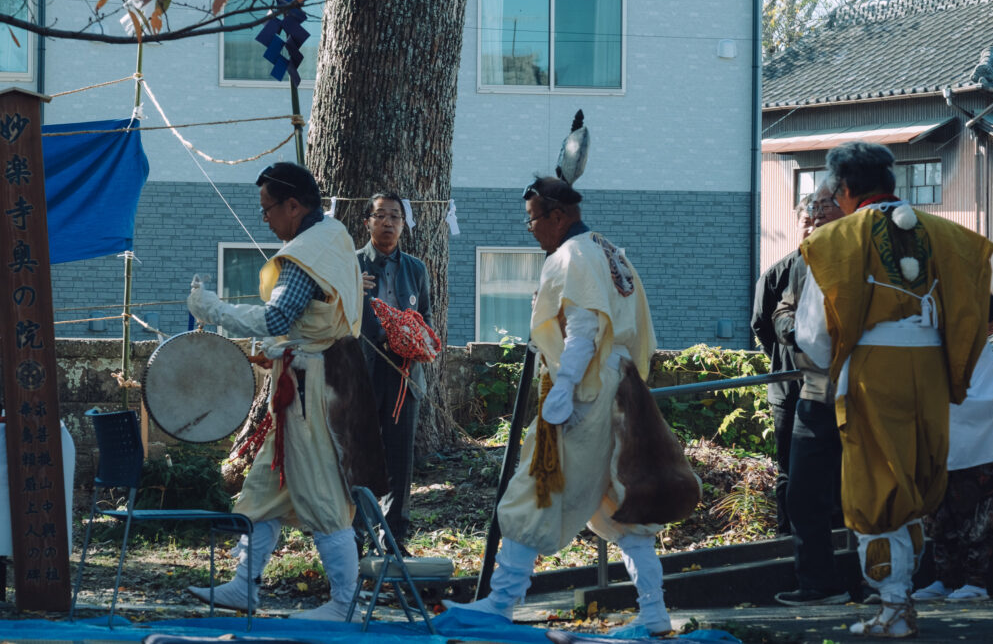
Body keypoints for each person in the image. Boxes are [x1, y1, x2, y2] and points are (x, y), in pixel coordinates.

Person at [443, 177, 701, 636]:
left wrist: (563, 390)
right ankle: (655, 612)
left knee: (536, 489)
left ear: (556, 216)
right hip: (623, 391)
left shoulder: (573, 256)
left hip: (585, 390)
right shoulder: (609, 250)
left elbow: (583, 331)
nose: (531, 230)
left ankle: (501, 603)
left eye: (533, 220)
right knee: (623, 503)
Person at [795, 142, 993, 637]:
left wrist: (839, 365)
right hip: (929, 366)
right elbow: (972, 306)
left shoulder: (838, 237)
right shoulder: (943, 234)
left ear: (843, 189)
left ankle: (893, 607)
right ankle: (901, 600)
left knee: (875, 481)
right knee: (915, 478)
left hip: (873, 368)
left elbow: (813, 334)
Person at [185, 162, 373, 621]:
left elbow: (275, 319)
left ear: (293, 205)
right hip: (317, 377)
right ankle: (243, 585)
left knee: (324, 496)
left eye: (268, 208)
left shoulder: (306, 253)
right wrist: (284, 346)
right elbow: (311, 320)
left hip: (315, 391)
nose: (264, 218)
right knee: (265, 485)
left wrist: (212, 308)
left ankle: (345, 602)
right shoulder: (335, 234)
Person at [771, 178, 848, 606]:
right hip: (813, 390)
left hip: (860, 389)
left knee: (866, 492)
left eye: (825, 204)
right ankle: (818, 584)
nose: (816, 213)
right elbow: (783, 307)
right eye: (814, 205)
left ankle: (882, 585)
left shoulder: (860, 248)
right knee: (801, 492)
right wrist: (795, 331)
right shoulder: (806, 255)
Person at [912, 295, 993, 603]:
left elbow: (991, 407)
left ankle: (976, 583)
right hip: (944, 451)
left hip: (977, 454)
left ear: (991, 327)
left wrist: (942, 405)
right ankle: (944, 579)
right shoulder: (944, 357)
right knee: (941, 521)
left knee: (978, 522)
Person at [356, 192, 432, 552]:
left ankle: (393, 536)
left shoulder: (416, 269)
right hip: (362, 373)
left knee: (400, 457)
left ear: (404, 224)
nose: (388, 222)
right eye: (381, 215)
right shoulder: (351, 264)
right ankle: (355, 534)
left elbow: (427, 321)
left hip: (404, 373)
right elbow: (332, 319)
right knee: (361, 454)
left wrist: (419, 344)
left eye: (396, 217)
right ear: (367, 221)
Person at [750, 195, 814, 536]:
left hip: (829, 386)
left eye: (821, 224)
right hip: (787, 384)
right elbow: (760, 324)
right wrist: (784, 357)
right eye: (807, 223)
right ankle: (785, 534)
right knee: (788, 465)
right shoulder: (777, 273)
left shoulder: (841, 270)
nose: (813, 230)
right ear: (798, 225)